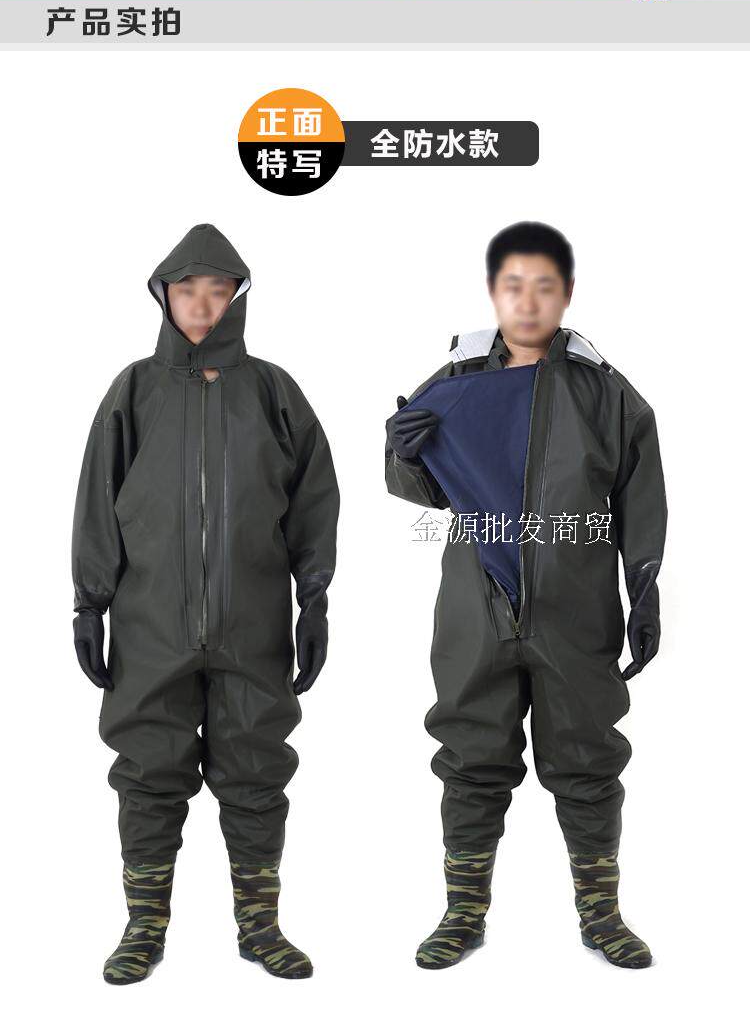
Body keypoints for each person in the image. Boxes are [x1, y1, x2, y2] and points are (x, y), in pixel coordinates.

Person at [385, 221, 666, 970]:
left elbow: (640, 493)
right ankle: (462, 913)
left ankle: (601, 915)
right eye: (514, 286)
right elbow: (424, 487)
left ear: (567, 293)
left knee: (587, 758)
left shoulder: (605, 392)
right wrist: (403, 453)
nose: (529, 301)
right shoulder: (454, 382)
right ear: (493, 292)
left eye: (545, 286)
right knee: (471, 755)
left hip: (575, 606)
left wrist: (644, 584)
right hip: (475, 604)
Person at [72, 223, 339, 984]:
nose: (200, 304)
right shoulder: (134, 390)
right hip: (150, 623)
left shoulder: (273, 391)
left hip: (253, 623)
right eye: (185, 289)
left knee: (256, 771)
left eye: (216, 290)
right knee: (148, 772)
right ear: (164, 297)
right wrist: (89, 603)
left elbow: (313, 499)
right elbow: (98, 500)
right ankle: (143, 926)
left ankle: (260, 925)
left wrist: (314, 598)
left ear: (236, 299)